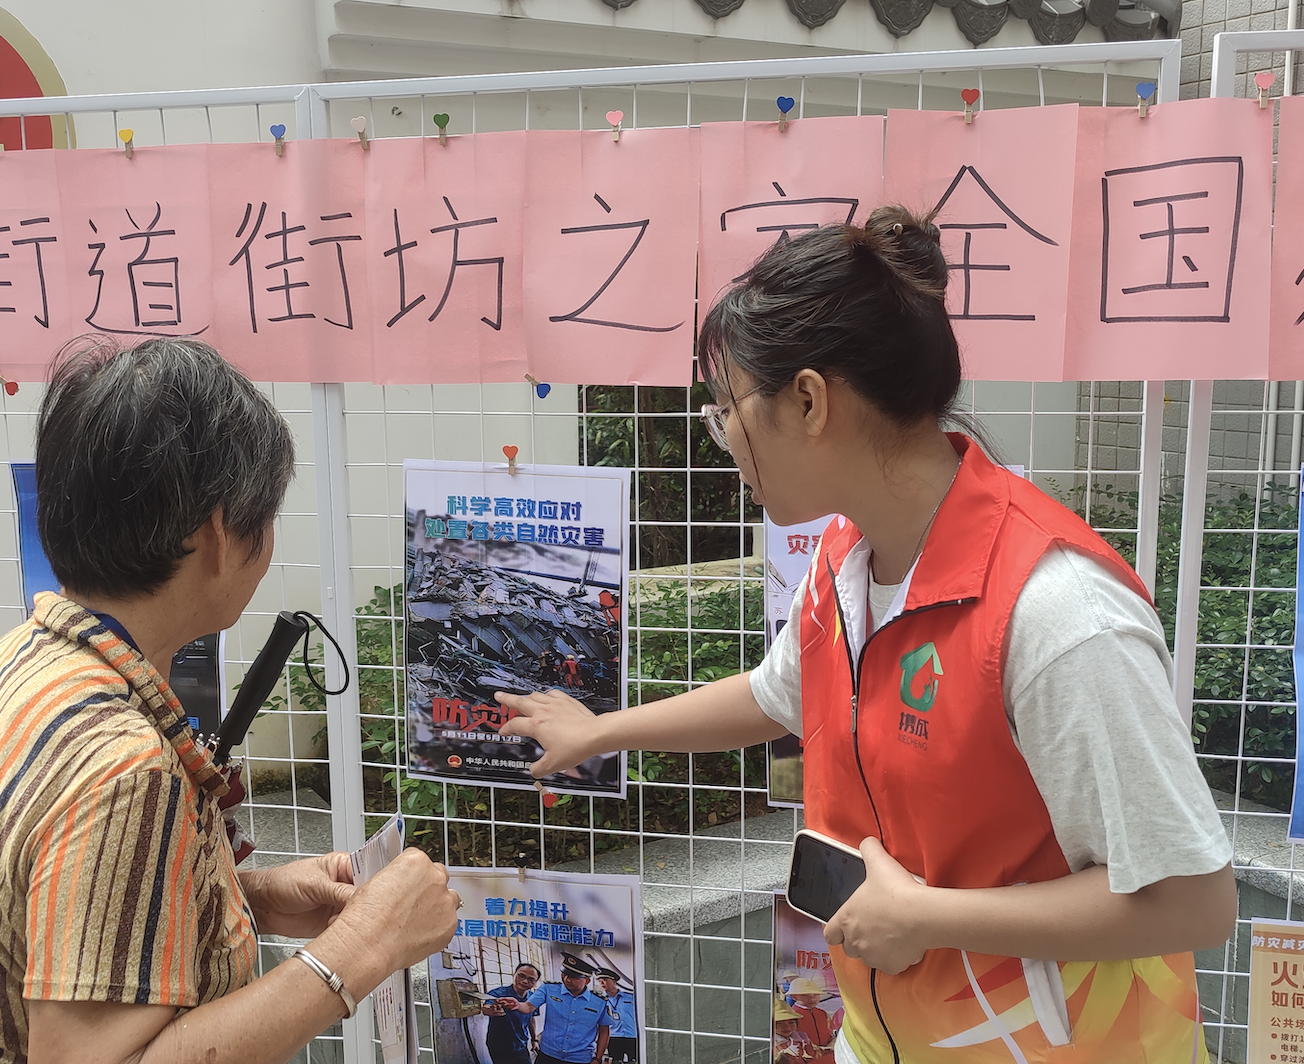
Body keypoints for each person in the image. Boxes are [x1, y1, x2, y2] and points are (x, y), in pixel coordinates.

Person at [497, 208, 1236, 1063]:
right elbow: (777, 694)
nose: (724, 437)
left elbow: (1194, 900)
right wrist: (602, 732)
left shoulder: (1058, 611)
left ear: (810, 400)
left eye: (727, 409)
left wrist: (931, 917)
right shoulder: (847, 561)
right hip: (888, 1038)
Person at [0, 337, 460, 1064]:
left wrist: (245, 898)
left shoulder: (23, 661)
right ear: (218, 532)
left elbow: (56, 924)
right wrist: (365, 946)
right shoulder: (126, 770)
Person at [503, 953, 610, 1064]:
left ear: (587, 980)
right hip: (548, 1055)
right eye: (564, 974)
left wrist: (598, 1058)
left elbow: (604, 1031)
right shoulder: (549, 989)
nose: (567, 979)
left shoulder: (600, 1002)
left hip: (580, 1058)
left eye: (573, 977)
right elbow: (529, 1006)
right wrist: (518, 1005)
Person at [479, 962, 540, 1064]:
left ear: (535, 982)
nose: (525, 981)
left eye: (531, 979)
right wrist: (492, 1010)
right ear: (514, 974)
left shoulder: (533, 998)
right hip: (499, 1046)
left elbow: (531, 1019)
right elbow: (486, 1008)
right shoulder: (498, 994)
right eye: (521, 976)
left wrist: (534, 1039)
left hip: (521, 1044)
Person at [782, 979, 835, 1063]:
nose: (812, 999)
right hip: (806, 1057)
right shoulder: (792, 1016)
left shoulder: (822, 1013)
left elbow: (830, 1032)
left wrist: (831, 1046)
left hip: (828, 1055)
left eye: (815, 995)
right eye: (805, 995)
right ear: (793, 996)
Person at [595, 969, 637, 1063]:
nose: (601, 982)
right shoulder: (600, 999)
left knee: (635, 1060)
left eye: (605, 979)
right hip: (613, 1037)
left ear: (613, 981)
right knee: (615, 1061)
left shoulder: (630, 997)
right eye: (599, 980)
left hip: (632, 1036)